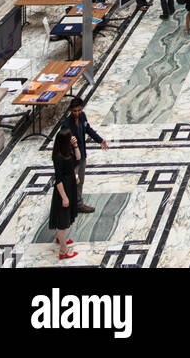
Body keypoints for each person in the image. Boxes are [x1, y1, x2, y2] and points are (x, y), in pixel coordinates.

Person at [62, 97, 109, 212]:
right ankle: (74, 204)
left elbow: (88, 129)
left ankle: (77, 203)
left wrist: (100, 140)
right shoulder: (66, 125)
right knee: (73, 180)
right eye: (75, 111)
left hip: (82, 155)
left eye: (79, 110)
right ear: (71, 110)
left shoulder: (82, 117)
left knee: (79, 181)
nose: (77, 113)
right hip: (73, 159)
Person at [49, 129, 80, 261]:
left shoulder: (68, 151)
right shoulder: (58, 157)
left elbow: (78, 158)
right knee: (63, 219)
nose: (71, 139)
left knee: (64, 216)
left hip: (70, 185)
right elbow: (58, 179)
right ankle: (63, 250)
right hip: (64, 189)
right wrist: (64, 197)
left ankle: (60, 239)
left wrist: (76, 146)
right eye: (70, 138)